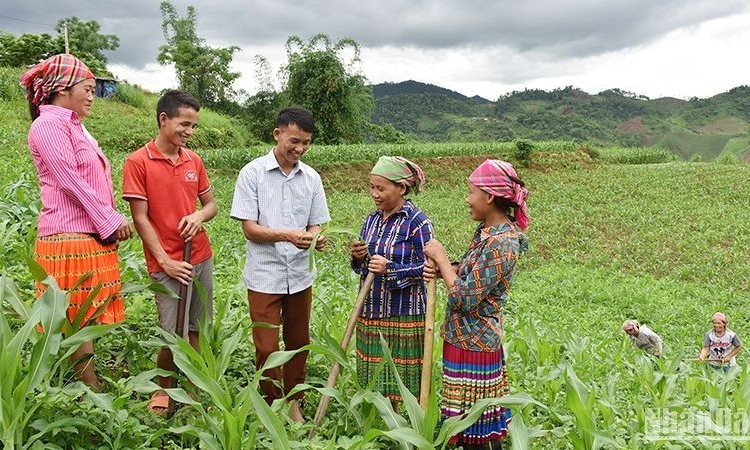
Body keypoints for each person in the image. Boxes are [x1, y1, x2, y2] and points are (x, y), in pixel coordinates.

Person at [20, 53, 133, 389]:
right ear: (63, 89)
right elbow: (69, 180)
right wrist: (109, 219)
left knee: (84, 314)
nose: (91, 95)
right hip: (67, 235)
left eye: (93, 90)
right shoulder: (47, 125)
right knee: (77, 316)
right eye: (87, 88)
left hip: (87, 235)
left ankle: (84, 380)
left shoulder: (74, 127)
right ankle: (87, 385)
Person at [230, 106, 330, 422]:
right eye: (294, 141)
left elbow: (316, 223)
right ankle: (272, 402)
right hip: (264, 275)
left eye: (306, 143)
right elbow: (250, 228)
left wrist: (314, 238)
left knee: (299, 342)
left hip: (300, 274)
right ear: (278, 134)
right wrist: (287, 235)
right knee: (267, 345)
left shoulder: (311, 177)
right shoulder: (252, 174)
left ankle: (294, 401)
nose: (299, 149)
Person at [122, 90, 217, 413]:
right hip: (167, 263)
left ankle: (192, 386)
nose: (189, 132)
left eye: (193, 126)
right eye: (184, 124)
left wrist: (199, 215)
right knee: (170, 331)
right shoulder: (138, 162)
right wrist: (165, 260)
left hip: (199, 255)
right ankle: (163, 388)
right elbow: (140, 217)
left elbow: (211, 205)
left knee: (196, 327)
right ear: (164, 119)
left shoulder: (194, 160)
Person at [424, 159, 529, 450]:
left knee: (475, 427)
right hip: (463, 339)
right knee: (469, 424)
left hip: (475, 343)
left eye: (471, 192)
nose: (467, 199)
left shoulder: (501, 242)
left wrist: (443, 260)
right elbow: (475, 274)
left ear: (490, 196)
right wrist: (452, 268)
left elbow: (465, 298)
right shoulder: (487, 232)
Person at [349, 156, 434, 410]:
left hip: (404, 312)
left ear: (401, 189)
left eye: (381, 188)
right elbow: (362, 268)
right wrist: (359, 257)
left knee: (401, 376)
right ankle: (380, 420)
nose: (374, 194)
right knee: (375, 375)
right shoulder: (372, 220)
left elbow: (429, 267)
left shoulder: (418, 222)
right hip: (372, 307)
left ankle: (405, 424)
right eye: (372, 187)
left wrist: (392, 269)